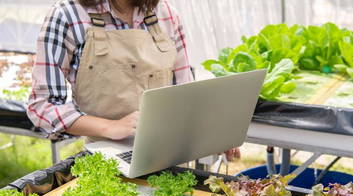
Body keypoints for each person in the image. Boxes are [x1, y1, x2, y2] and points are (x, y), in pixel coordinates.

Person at [28, 0, 240, 161]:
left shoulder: (165, 13)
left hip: (169, 155)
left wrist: (212, 131)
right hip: (107, 158)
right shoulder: (67, 15)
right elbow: (42, 106)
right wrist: (110, 127)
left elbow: (186, 92)